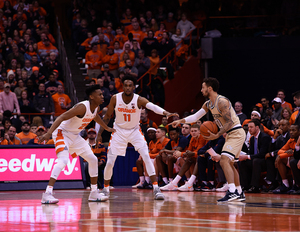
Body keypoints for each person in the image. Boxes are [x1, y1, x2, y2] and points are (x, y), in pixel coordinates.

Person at [98, 75, 178, 200]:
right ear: (123, 86)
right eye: (126, 85)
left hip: (135, 130)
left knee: (146, 156)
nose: (128, 87)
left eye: (130, 85)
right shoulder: (115, 98)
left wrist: (166, 113)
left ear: (134, 87)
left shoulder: (138, 99)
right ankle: (106, 189)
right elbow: (107, 117)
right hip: (118, 131)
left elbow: (152, 106)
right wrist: (99, 134)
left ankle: (156, 188)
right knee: (110, 161)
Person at [172, 77, 246, 202]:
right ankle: (239, 192)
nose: (201, 90)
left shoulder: (221, 101)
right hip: (229, 134)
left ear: (209, 88)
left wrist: (217, 135)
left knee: (223, 160)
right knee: (230, 164)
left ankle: (232, 191)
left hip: (236, 132)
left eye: (203, 87)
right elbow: (195, 116)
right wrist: (181, 120)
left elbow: (229, 122)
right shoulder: (208, 104)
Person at [38, 84, 115, 204]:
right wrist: (48, 133)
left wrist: (107, 128)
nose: (102, 96)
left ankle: (94, 193)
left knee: (93, 159)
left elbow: (96, 117)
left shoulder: (96, 108)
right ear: (91, 96)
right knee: (63, 160)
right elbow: (62, 117)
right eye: (99, 94)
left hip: (74, 136)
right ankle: (47, 193)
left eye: (102, 94)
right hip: (61, 133)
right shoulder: (82, 107)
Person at [160, 124, 207, 191]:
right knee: (188, 158)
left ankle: (190, 183)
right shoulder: (192, 139)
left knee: (197, 158)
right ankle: (174, 182)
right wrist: (184, 154)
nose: (193, 132)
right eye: (192, 131)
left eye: (195, 131)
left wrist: (181, 153)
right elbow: (189, 152)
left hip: (206, 157)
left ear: (199, 131)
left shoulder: (202, 138)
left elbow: (199, 152)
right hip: (195, 157)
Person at [239, 119, 272, 193]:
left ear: (257, 128)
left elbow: (262, 154)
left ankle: (255, 186)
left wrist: (247, 156)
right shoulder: (252, 138)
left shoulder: (264, 137)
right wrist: (244, 156)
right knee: (243, 162)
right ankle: (245, 186)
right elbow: (250, 153)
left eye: (251, 127)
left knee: (255, 161)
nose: (249, 129)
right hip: (256, 161)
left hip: (266, 162)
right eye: (248, 127)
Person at [264, 119, 290, 192]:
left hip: (289, 156)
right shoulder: (280, 137)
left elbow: (287, 149)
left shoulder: (291, 135)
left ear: (288, 126)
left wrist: (272, 154)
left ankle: (283, 183)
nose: (280, 127)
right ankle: (273, 182)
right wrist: (274, 137)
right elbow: (271, 149)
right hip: (282, 155)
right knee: (269, 159)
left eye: (283, 125)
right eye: (279, 125)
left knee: (278, 157)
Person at [273, 124, 300, 194]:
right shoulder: (291, 140)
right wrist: (286, 152)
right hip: (296, 160)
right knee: (281, 159)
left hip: (297, 160)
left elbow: (295, 153)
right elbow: (280, 151)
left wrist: (289, 153)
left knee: (292, 159)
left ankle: (296, 184)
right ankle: (285, 184)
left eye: (294, 130)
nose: (291, 132)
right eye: (290, 130)